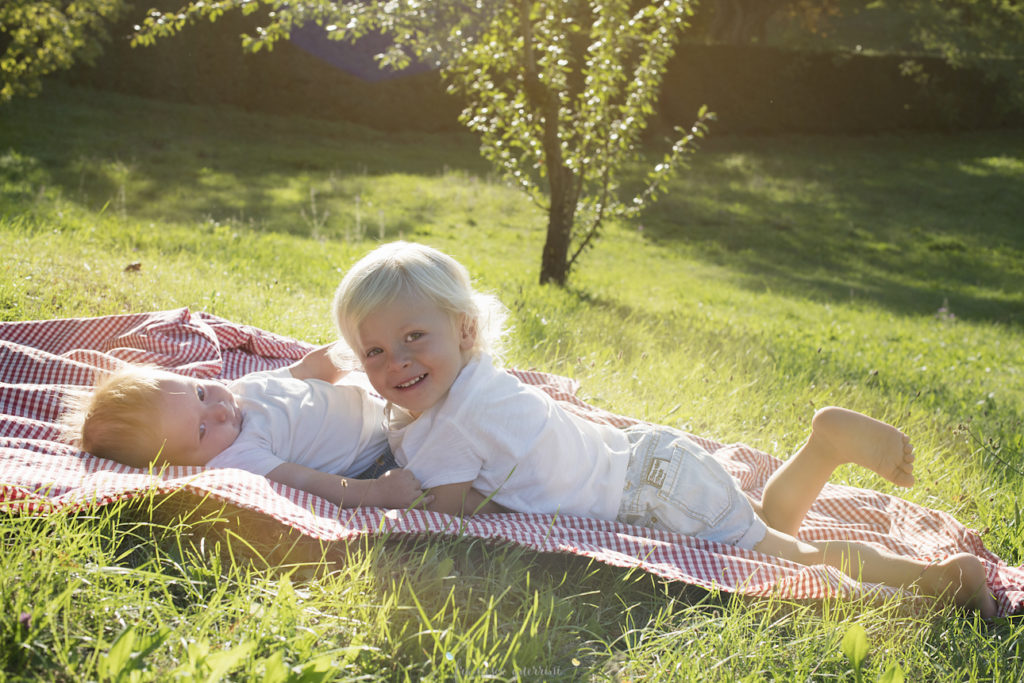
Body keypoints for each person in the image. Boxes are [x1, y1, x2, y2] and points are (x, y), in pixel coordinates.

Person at [331, 240, 996, 616]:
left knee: (793, 557)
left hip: (653, 496)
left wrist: (371, 487)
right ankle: (824, 446)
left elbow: (447, 511)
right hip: (658, 464)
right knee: (767, 530)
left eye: (415, 336)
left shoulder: (449, 422)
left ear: (465, 331)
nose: (400, 361)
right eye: (377, 352)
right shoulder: (482, 378)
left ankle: (936, 582)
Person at [61, 343, 431, 510]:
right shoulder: (239, 458)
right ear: (181, 463)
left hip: (382, 400)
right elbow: (313, 484)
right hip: (381, 456)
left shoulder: (242, 389)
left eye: (201, 392)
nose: (219, 410)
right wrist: (377, 494)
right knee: (456, 461)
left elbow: (308, 371)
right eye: (202, 431)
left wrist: (353, 347)